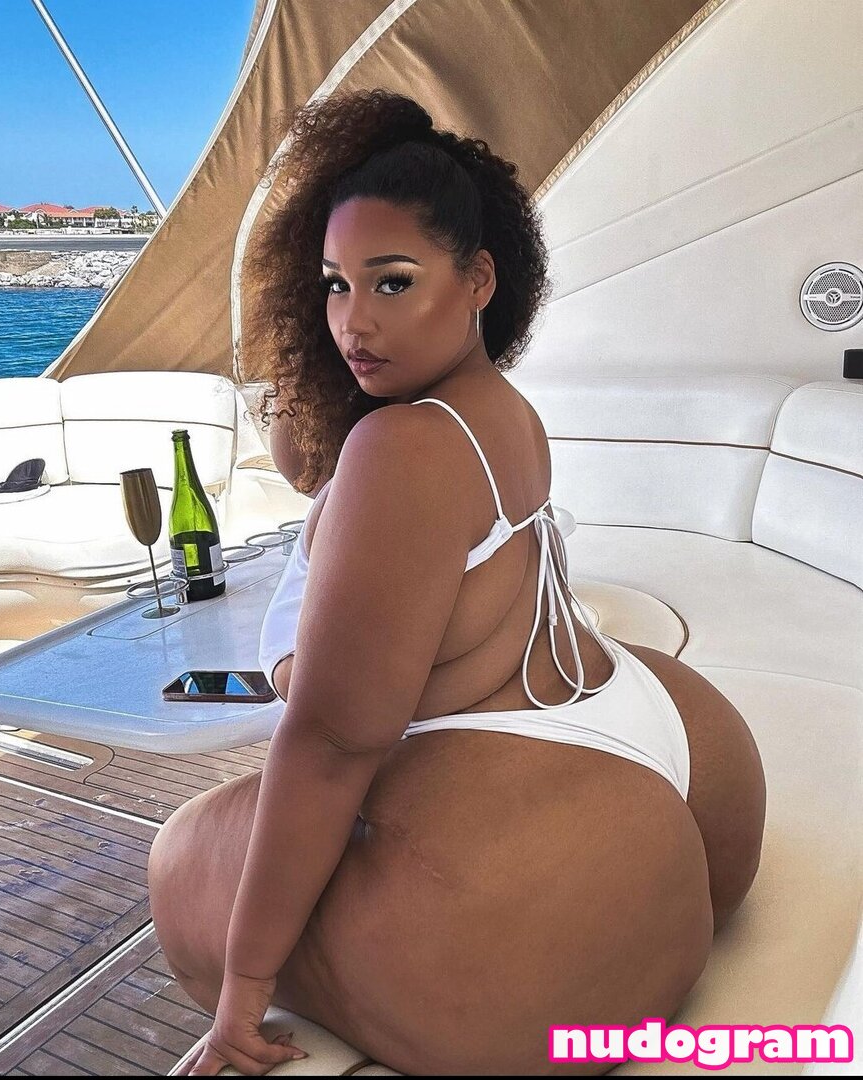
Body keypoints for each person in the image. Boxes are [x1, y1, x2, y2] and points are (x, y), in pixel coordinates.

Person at [149, 88, 766, 1076]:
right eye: (332, 286)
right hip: (680, 757)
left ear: (480, 278)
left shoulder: (404, 451)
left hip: (535, 897)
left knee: (182, 855)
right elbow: (308, 457)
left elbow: (333, 744)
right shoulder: (495, 408)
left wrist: (243, 990)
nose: (352, 322)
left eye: (391, 283)